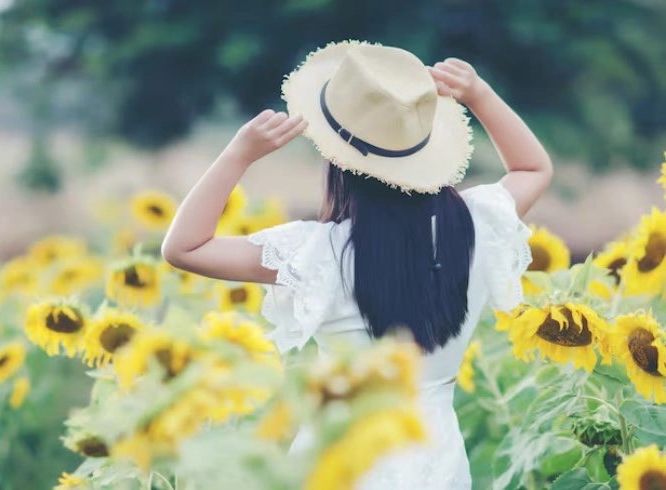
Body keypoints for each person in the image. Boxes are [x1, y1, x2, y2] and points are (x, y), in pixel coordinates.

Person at [162, 41, 552, 489]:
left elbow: (185, 248)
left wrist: (238, 155)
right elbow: (533, 169)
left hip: (339, 457)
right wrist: (480, 94)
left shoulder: (319, 253)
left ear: (339, 166)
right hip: (435, 457)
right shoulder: (476, 227)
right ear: (426, 157)